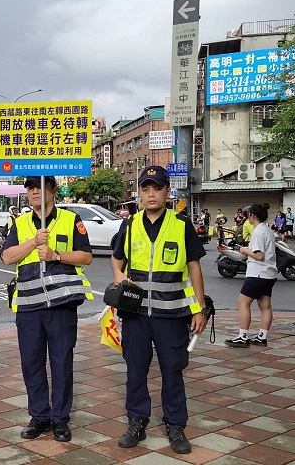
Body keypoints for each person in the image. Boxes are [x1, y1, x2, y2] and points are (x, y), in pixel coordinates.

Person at [111, 166, 208, 455]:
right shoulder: (128, 226)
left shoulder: (181, 225)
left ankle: (176, 425)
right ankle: (136, 422)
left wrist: (199, 309)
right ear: (139, 193)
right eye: (145, 188)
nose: (151, 193)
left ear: (168, 192)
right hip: (136, 315)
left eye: (157, 188)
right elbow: (117, 262)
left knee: (172, 371)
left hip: (171, 315)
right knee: (136, 371)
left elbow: (194, 267)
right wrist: (120, 279)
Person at [2, 175, 94, 443]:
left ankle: (60, 419)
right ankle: (39, 416)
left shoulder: (70, 219)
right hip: (29, 307)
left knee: (62, 362)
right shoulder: (19, 223)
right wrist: (33, 242)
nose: (33, 192)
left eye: (39, 187)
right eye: (30, 188)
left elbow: (86, 256)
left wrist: (56, 255)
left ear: (52, 190)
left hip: (61, 306)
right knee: (31, 363)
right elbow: (8, 257)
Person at [226, 203, 278, 348]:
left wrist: (244, 250)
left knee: (243, 303)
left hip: (258, 273)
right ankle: (262, 336)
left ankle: (243, 336)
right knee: (265, 305)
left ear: (252, 216)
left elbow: (259, 255)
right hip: (269, 274)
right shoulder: (268, 230)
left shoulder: (258, 232)